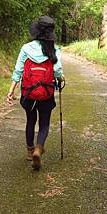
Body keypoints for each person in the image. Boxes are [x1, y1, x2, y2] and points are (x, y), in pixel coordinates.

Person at [7, 16, 65, 170]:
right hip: (46, 92)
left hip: (28, 93)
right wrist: (61, 78)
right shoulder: (54, 49)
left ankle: (29, 150)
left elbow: (18, 70)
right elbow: (58, 70)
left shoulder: (26, 48)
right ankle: (39, 148)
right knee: (44, 122)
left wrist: (11, 90)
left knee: (30, 120)